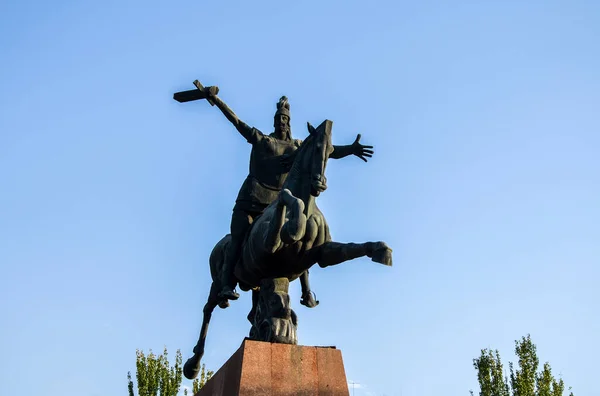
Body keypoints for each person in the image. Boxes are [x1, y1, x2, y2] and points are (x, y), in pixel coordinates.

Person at [205, 89, 374, 302]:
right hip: (252, 201)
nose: (282, 122)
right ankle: (227, 284)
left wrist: (350, 149)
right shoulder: (263, 141)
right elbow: (237, 122)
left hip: (276, 204)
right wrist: (216, 100)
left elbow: (324, 149)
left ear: (289, 122)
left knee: (301, 236)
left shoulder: (297, 146)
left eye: (285, 119)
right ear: (275, 122)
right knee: (238, 239)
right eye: (279, 119)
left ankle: (306, 291)